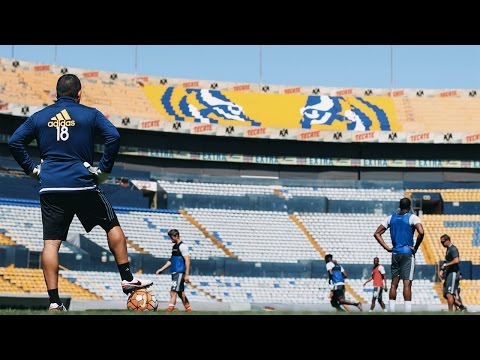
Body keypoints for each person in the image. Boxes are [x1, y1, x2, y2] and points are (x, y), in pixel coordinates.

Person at [8, 74, 153, 311]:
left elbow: (15, 141)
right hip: (82, 183)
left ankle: (54, 302)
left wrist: (33, 170)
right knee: (111, 225)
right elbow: (114, 137)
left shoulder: (39, 117)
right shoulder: (90, 114)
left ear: (56, 94)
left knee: (51, 244)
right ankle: (127, 278)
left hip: (51, 186)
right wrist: (104, 170)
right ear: (80, 93)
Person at [373, 197, 424, 312]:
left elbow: (376, 233)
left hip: (395, 253)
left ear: (399, 206)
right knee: (407, 284)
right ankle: (407, 311)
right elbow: (421, 232)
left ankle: (391, 310)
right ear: (410, 206)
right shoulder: (412, 217)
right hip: (407, 253)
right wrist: (415, 247)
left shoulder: (390, 218)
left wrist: (387, 248)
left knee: (394, 284)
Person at [155, 229, 192, 312]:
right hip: (174, 272)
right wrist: (161, 269)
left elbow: (187, 260)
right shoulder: (174, 247)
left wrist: (186, 274)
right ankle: (188, 308)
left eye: (171, 238)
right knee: (180, 292)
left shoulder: (183, 246)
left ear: (176, 236)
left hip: (180, 272)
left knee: (173, 291)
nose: (170, 240)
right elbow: (171, 260)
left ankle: (170, 308)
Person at [438, 234, 461, 312]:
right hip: (449, 273)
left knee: (449, 294)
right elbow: (448, 261)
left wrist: (445, 265)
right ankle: (460, 306)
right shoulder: (448, 249)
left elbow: (457, 260)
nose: (442, 244)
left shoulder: (453, 249)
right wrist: (442, 269)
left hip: (453, 273)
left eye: (443, 242)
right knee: (445, 294)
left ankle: (450, 311)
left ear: (448, 240)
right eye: (441, 242)